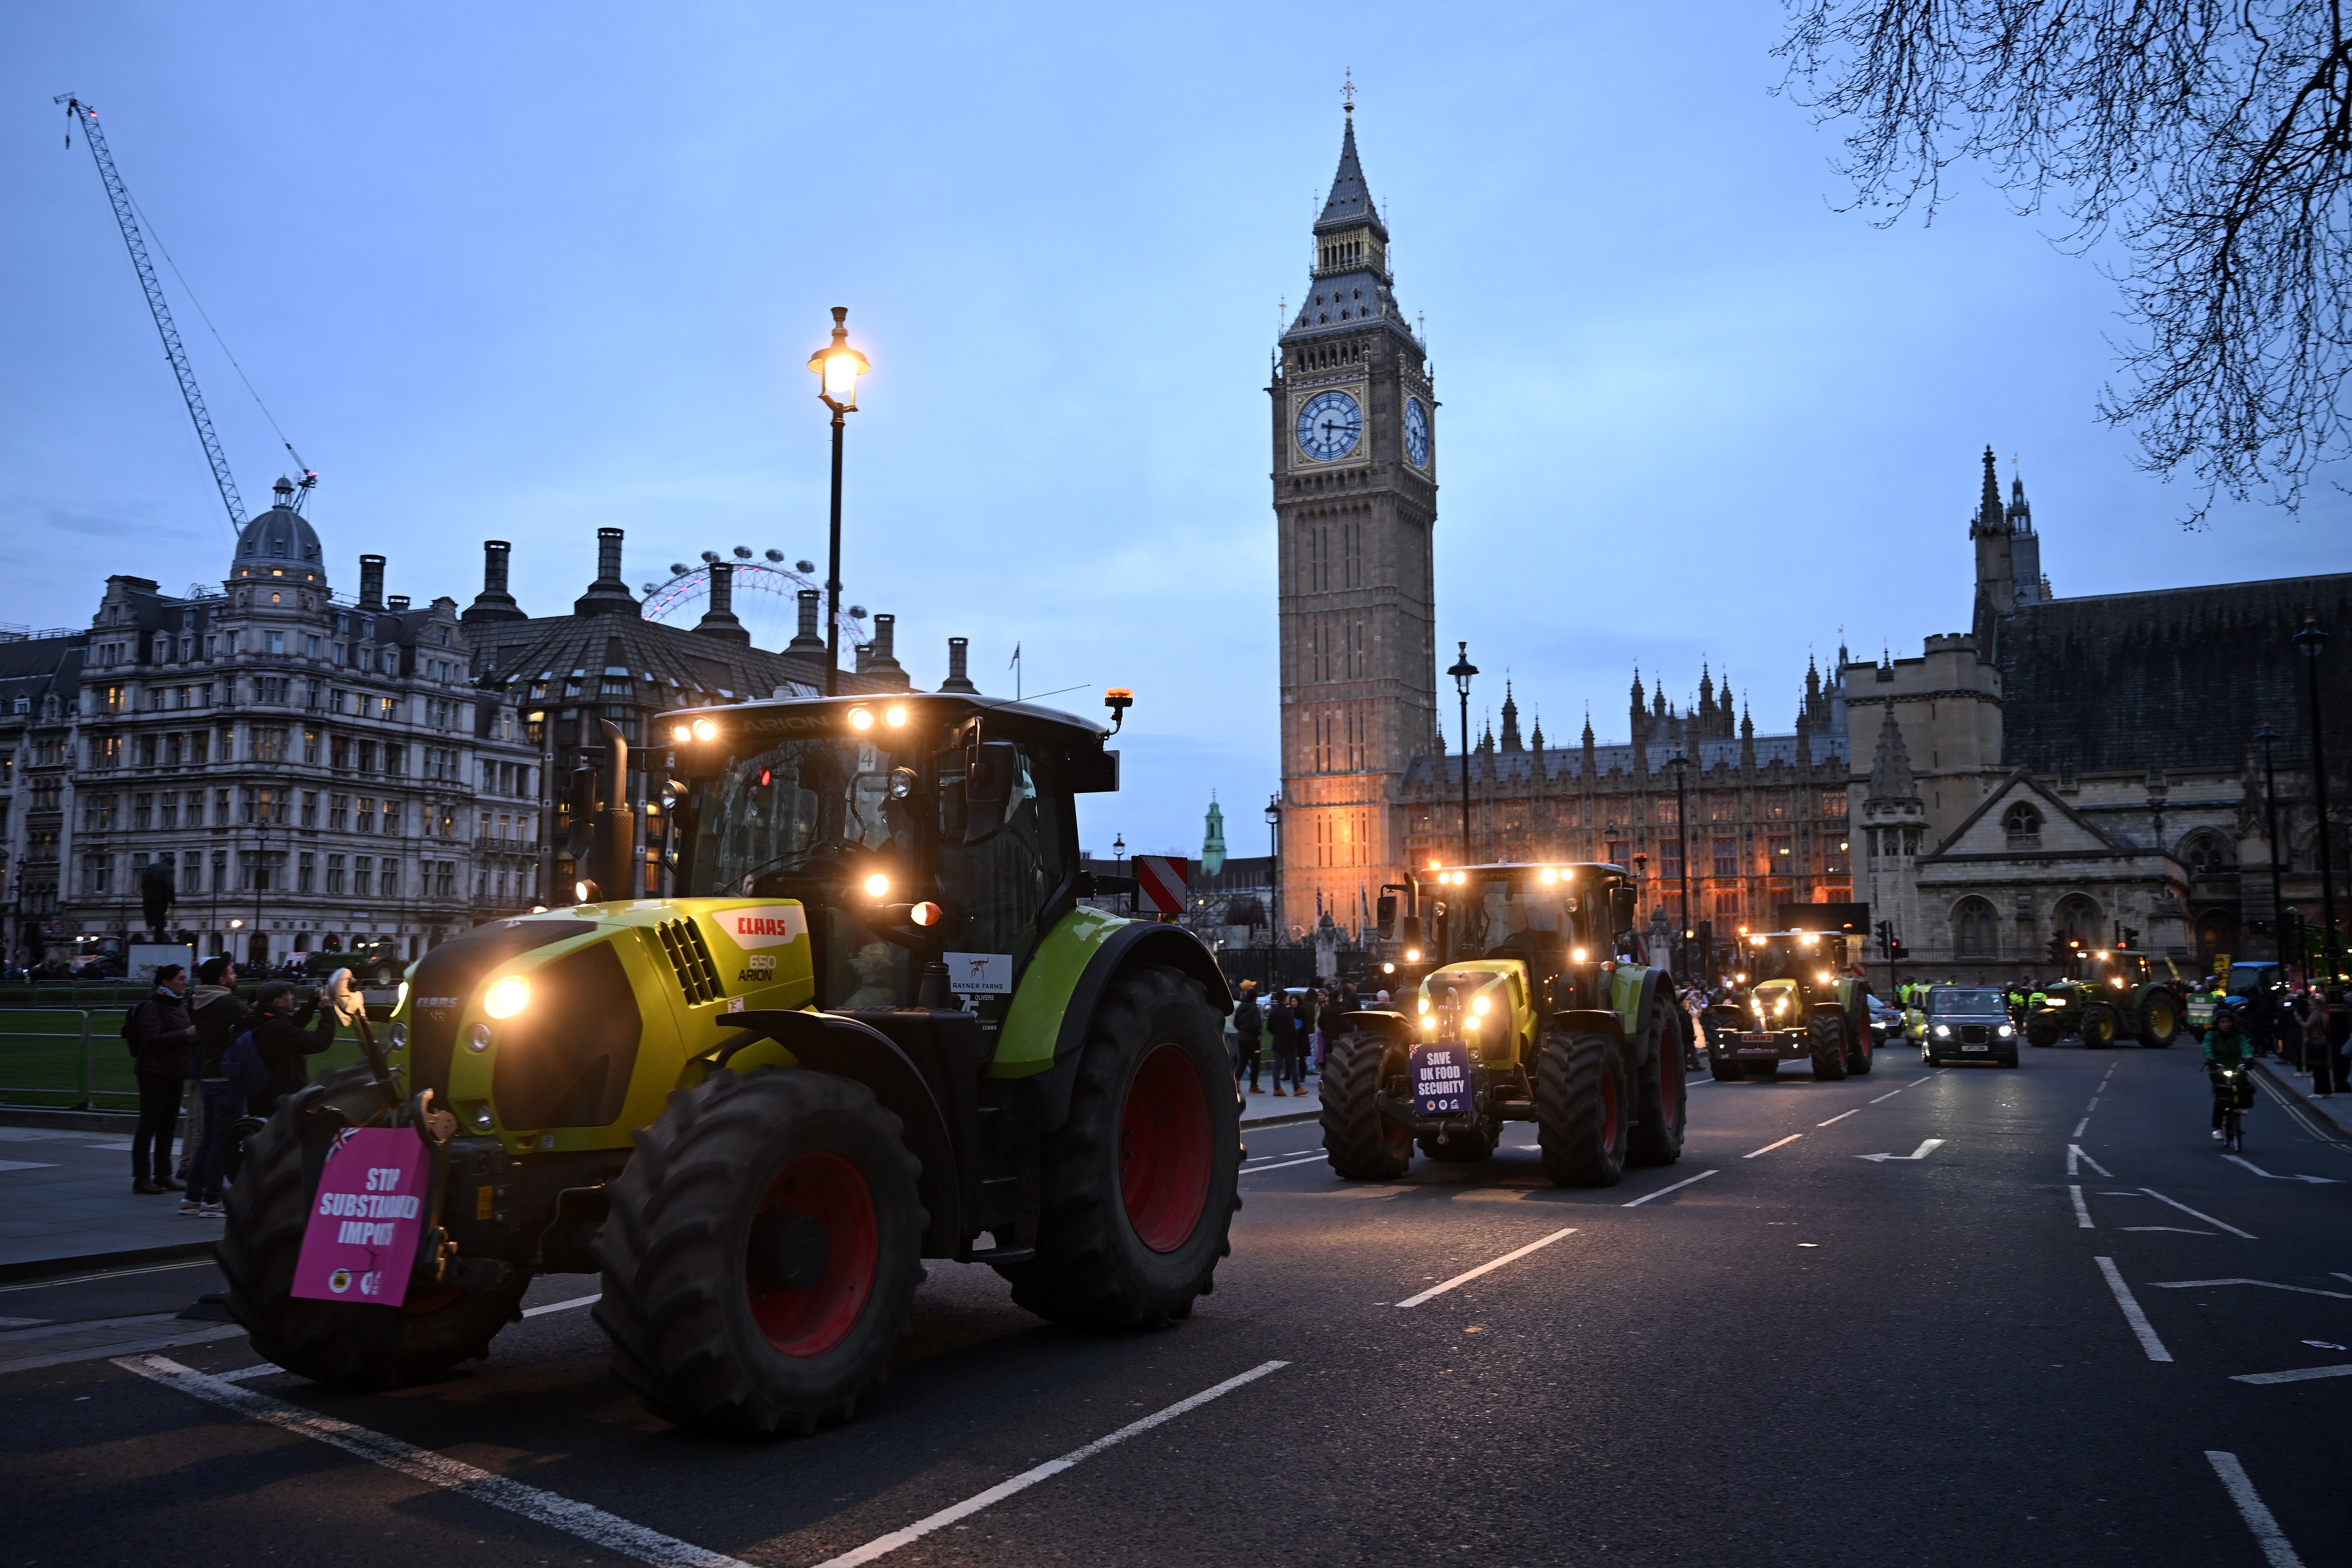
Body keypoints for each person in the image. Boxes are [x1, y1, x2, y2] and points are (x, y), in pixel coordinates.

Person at [184, 957, 255, 1217]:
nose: (235, 975)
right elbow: (254, 1018)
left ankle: (192, 1197)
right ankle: (211, 1199)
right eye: (231, 973)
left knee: (207, 1139)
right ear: (221, 980)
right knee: (222, 1142)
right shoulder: (225, 1002)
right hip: (227, 1079)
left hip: (209, 1076)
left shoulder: (200, 1000)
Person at [124, 964, 198, 1194]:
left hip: (174, 1072)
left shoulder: (179, 1006)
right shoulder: (152, 1007)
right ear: (166, 982)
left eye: (186, 979)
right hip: (153, 1073)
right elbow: (152, 1039)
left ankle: (164, 1174)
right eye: (180, 979)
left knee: (168, 1125)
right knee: (149, 1125)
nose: (185, 982)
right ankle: (142, 1177)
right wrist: (185, 1035)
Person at [246, 979, 340, 1119]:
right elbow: (320, 1041)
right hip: (280, 1102)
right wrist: (327, 1009)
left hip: (265, 1098)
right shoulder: (276, 1028)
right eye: (288, 994)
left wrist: (313, 1003)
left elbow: (293, 1024)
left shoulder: (261, 1018)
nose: (292, 996)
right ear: (277, 1002)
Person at [2202, 1008, 2255, 1136]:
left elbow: (2245, 1045)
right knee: (2222, 1094)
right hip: (2217, 1067)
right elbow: (2207, 1046)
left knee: (2242, 1085)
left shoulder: (2238, 1034)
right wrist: (2210, 1059)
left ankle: (2240, 1107)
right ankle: (2218, 1129)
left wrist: (2248, 1057)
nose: (2226, 1024)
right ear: (2218, 1023)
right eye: (2223, 1022)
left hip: (2235, 1065)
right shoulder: (2212, 1034)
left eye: (2228, 1022)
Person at [1232, 981, 1264, 1094]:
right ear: (1255, 998)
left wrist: (1242, 1030)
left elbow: (1236, 1022)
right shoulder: (1254, 1009)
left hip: (1242, 1037)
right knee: (1255, 1062)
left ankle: (1236, 1080)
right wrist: (1257, 1034)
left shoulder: (1241, 1007)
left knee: (1243, 1061)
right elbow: (1257, 1025)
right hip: (1252, 1039)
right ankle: (1254, 1085)